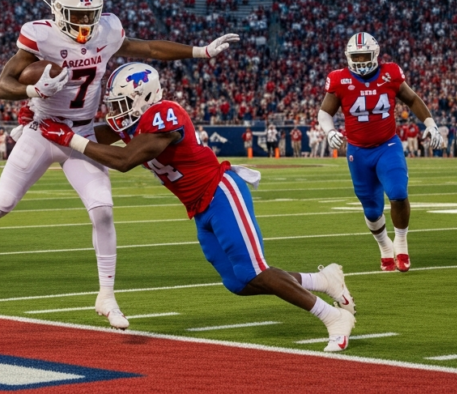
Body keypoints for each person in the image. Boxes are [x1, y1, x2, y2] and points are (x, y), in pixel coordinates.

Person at [0, 0, 238, 330]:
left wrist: (201, 51)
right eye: (76, 14)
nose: (84, 21)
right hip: (43, 130)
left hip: (80, 131)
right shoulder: (40, 35)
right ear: (58, 10)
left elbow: (150, 48)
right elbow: (3, 85)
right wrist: (34, 91)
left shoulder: (107, 30)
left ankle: (106, 296)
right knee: (2, 204)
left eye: (89, 13)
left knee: (103, 210)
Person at [35, 63, 356, 352]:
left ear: (144, 97)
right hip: (199, 206)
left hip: (221, 192)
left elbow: (125, 160)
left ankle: (333, 318)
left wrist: (69, 138)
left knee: (255, 270)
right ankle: (323, 280)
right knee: (238, 282)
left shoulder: (164, 114)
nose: (115, 112)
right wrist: (47, 124)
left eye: (121, 104)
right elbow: (95, 135)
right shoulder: (136, 121)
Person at [318, 33, 445, 272]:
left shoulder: (390, 73)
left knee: (398, 192)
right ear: (348, 57)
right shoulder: (339, 79)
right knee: (372, 209)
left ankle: (402, 245)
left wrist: (431, 125)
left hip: (387, 145)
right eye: (357, 56)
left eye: (365, 55)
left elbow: (412, 98)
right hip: (357, 150)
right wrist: (329, 131)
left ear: (376, 54)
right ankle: (385, 247)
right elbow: (325, 112)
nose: (361, 60)